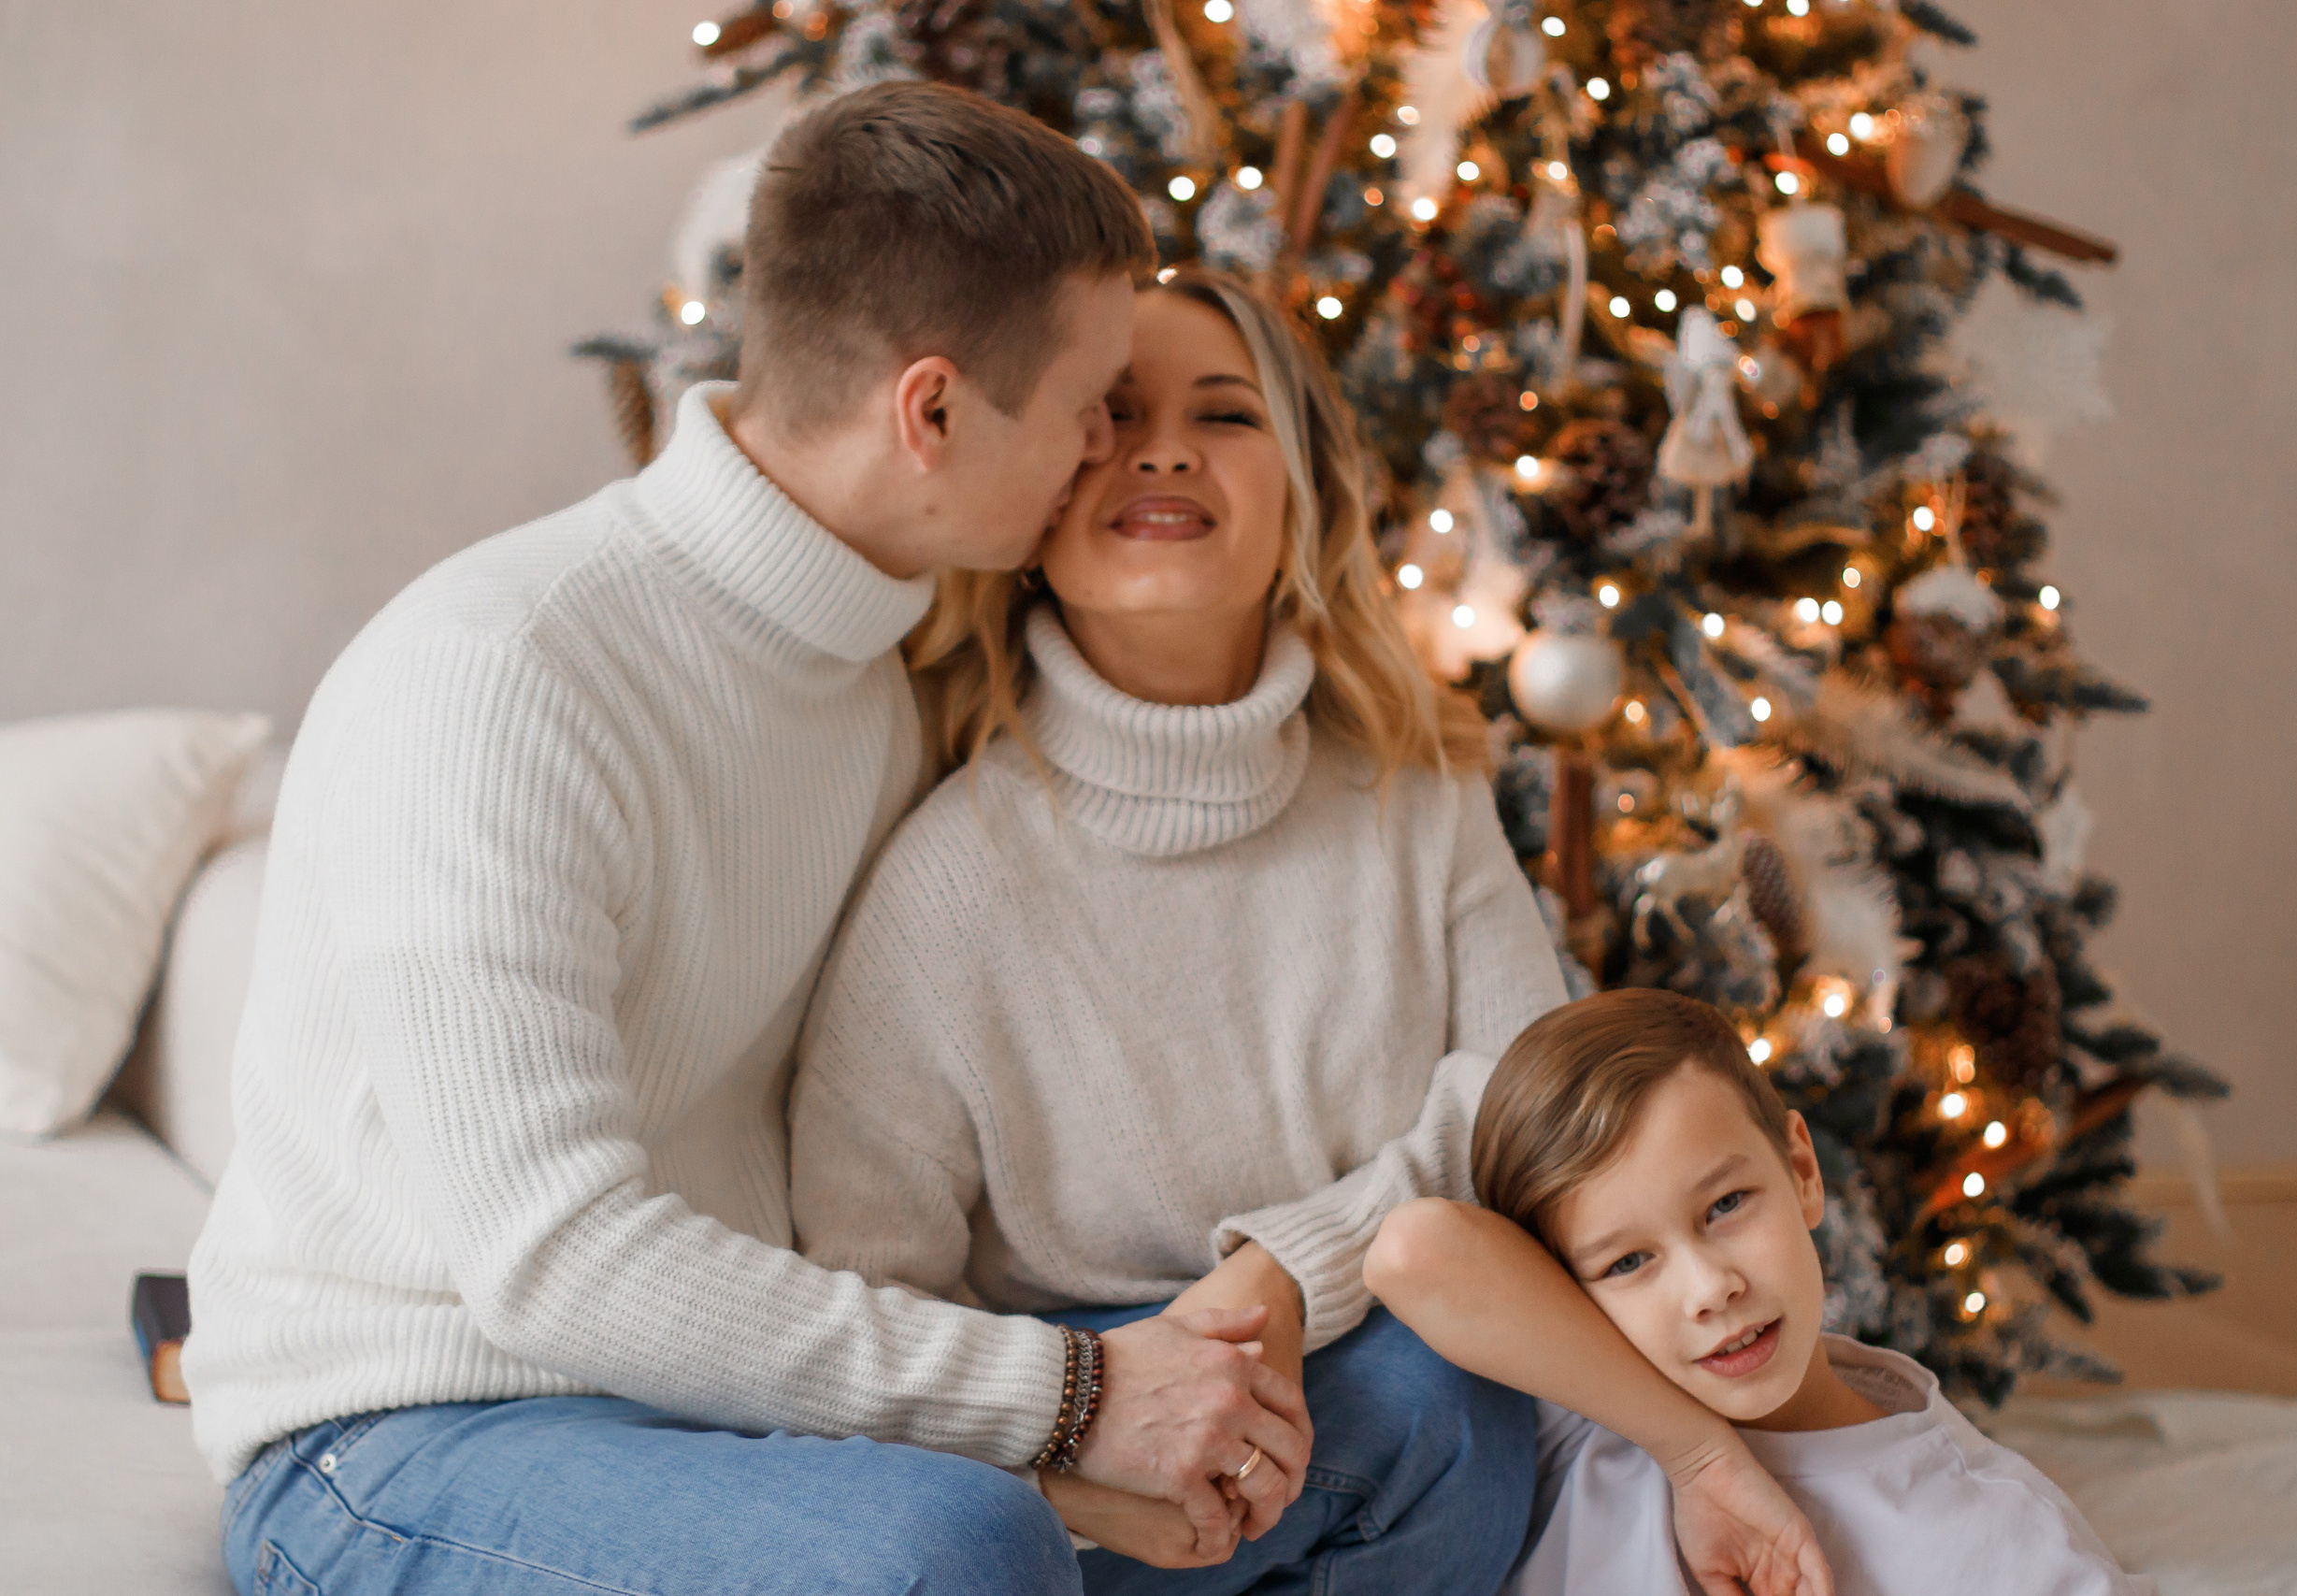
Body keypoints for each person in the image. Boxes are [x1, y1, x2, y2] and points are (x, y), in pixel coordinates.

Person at [183, 84, 1309, 1596]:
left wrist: (1201, 1342)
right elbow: (553, 1257)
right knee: (948, 1550)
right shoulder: (503, 672)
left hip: (734, 1411)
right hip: (409, 1433)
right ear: (933, 410)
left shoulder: (883, 684)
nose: (1113, 443)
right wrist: (1072, 1402)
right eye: (1092, 398)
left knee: (1422, 1423)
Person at [788, 269, 1833, 1595]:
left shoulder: (1416, 793)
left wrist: (1293, 1267)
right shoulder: (945, 882)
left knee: (1447, 1382)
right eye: (1112, 416)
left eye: (1225, 414)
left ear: (1304, 501)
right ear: (1032, 498)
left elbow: (1532, 1105)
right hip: (1081, 1430)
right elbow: (863, 1290)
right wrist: (1073, 1453)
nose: (1164, 446)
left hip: (1376, 1388)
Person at [1367, 989, 2153, 1596]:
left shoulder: (1999, 1536)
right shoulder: (1587, 1413)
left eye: (1726, 1205)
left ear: (1803, 1172)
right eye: (1628, 1261)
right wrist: (1700, 1459)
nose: (1711, 1287)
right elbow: (1412, 1250)